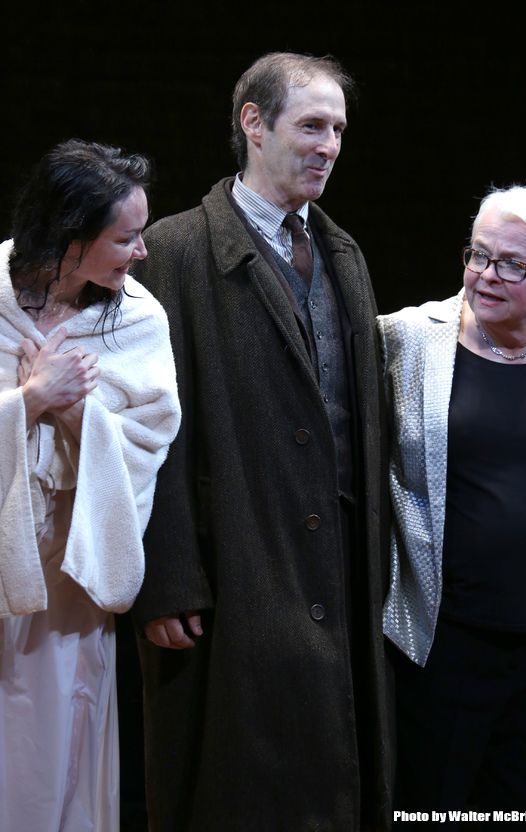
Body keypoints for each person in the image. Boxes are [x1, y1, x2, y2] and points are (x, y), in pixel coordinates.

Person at [131, 51, 392, 831]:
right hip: (238, 556)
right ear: (254, 122)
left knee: (332, 771)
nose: (329, 146)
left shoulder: (343, 254)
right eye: (312, 125)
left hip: (339, 556)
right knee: (238, 778)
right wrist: (168, 576)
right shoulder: (177, 251)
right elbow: (153, 434)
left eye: (338, 130)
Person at [378, 184, 526, 828]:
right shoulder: (408, 339)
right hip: (444, 641)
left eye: (510, 264)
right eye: (477, 255)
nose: (485, 275)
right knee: (431, 812)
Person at [0, 139, 181, 832]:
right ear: (70, 237)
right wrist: (31, 399)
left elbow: (148, 441)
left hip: (67, 573)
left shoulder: (138, 320)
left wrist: (76, 413)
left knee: (57, 750)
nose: (141, 253)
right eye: (125, 238)